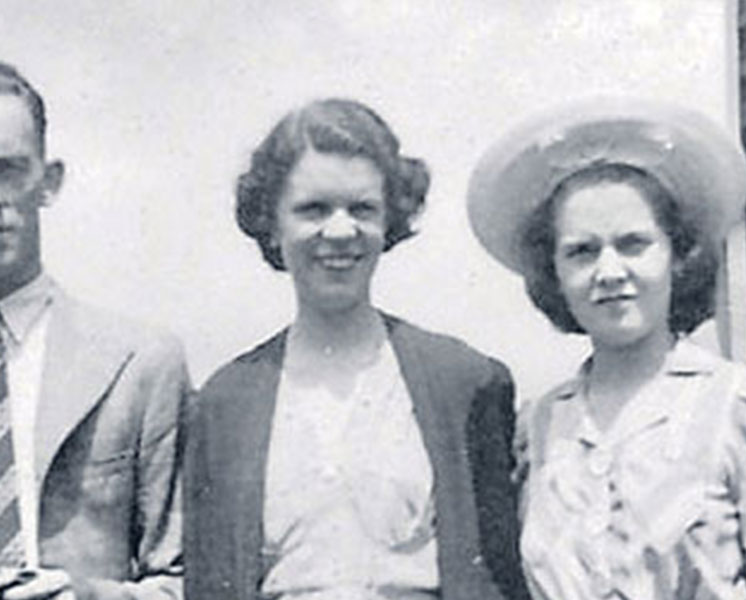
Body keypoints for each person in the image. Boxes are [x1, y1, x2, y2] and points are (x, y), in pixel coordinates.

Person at [467, 98, 746, 600]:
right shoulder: (539, 426)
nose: (610, 272)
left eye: (633, 244)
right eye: (582, 252)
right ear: (554, 275)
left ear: (677, 255)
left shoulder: (745, 405)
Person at [183, 99, 527, 600]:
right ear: (272, 224)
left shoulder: (463, 381)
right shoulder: (226, 402)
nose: (340, 231)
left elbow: (498, 577)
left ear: (390, 219)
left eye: (362, 208)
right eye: (313, 210)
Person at [0, 56, 189, 599]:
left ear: (50, 181)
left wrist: (92, 597)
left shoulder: (138, 363)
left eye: (10, 168)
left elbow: (193, 581)